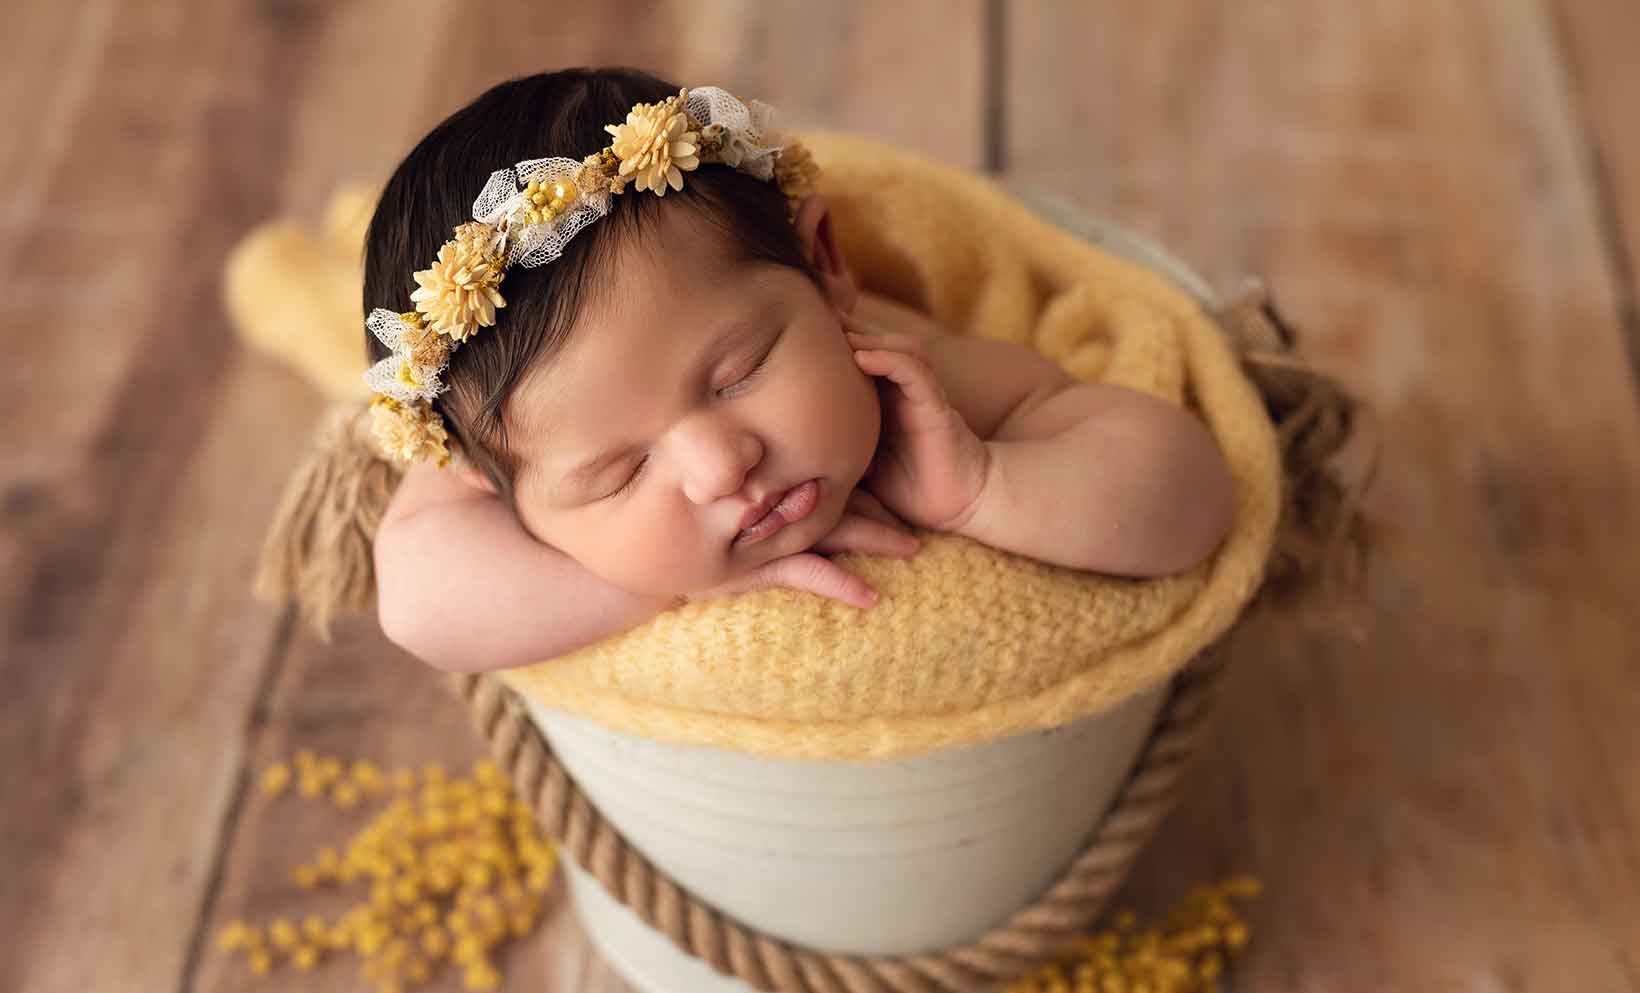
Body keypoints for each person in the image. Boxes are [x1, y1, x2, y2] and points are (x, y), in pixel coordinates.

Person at [364, 67, 1235, 675]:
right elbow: (414, 601)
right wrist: (660, 588)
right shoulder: (496, 437)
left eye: (738, 373)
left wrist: (985, 485)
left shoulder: (912, 387)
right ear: (484, 478)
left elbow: (1194, 493)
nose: (720, 466)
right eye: (621, 472)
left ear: (825, 267)